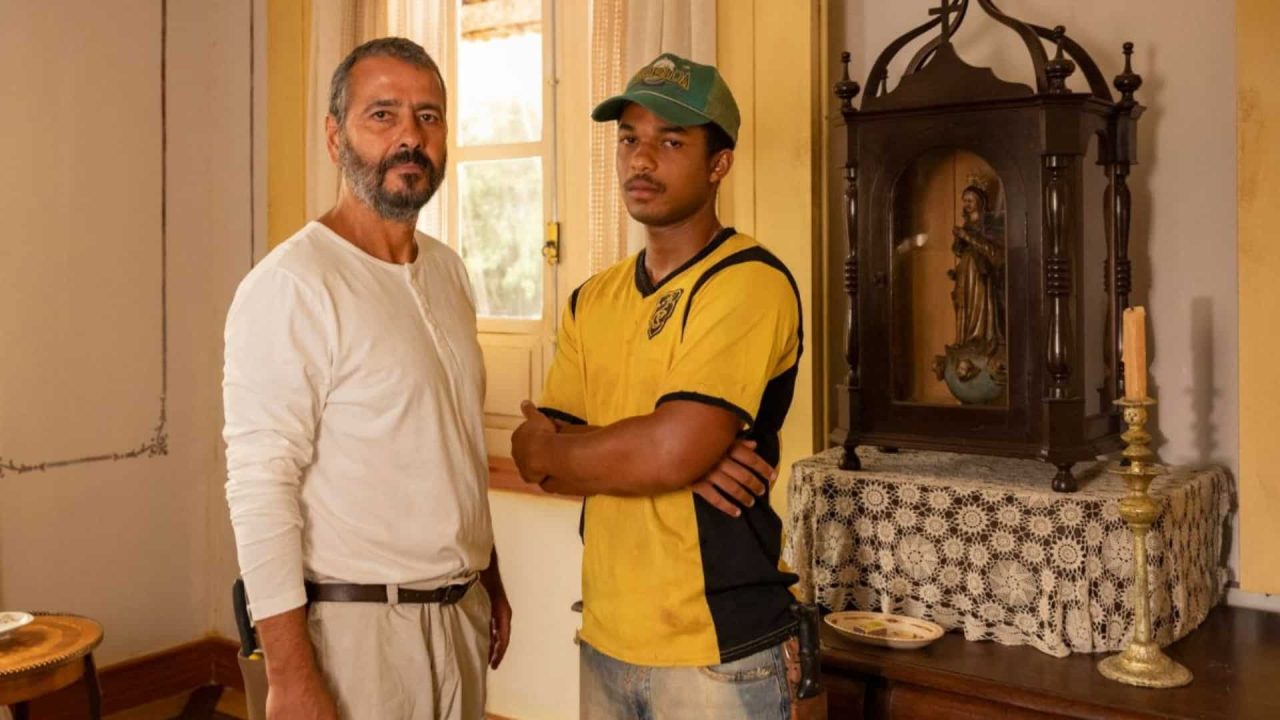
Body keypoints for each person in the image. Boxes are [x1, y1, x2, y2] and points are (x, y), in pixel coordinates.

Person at [222, 37, 509, 720]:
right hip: (355, 637)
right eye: (383, 115)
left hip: (459, 618)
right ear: (334, 136)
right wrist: (291, 677)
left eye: (429, 116)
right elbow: (261, 489)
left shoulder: (447, 274)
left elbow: (454, 444)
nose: (411, 136)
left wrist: (489, 576)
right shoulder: (293, 285)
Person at [511, 53, 805, 719]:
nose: (641, 160)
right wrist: (663, 456)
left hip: (717, 651)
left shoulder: (748, 281)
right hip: (606, 634)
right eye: (630, 140)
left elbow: (666, 449)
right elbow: (536, 460)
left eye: (671, 142)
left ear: (719, 163)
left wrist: (665, 454)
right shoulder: (594, 298)